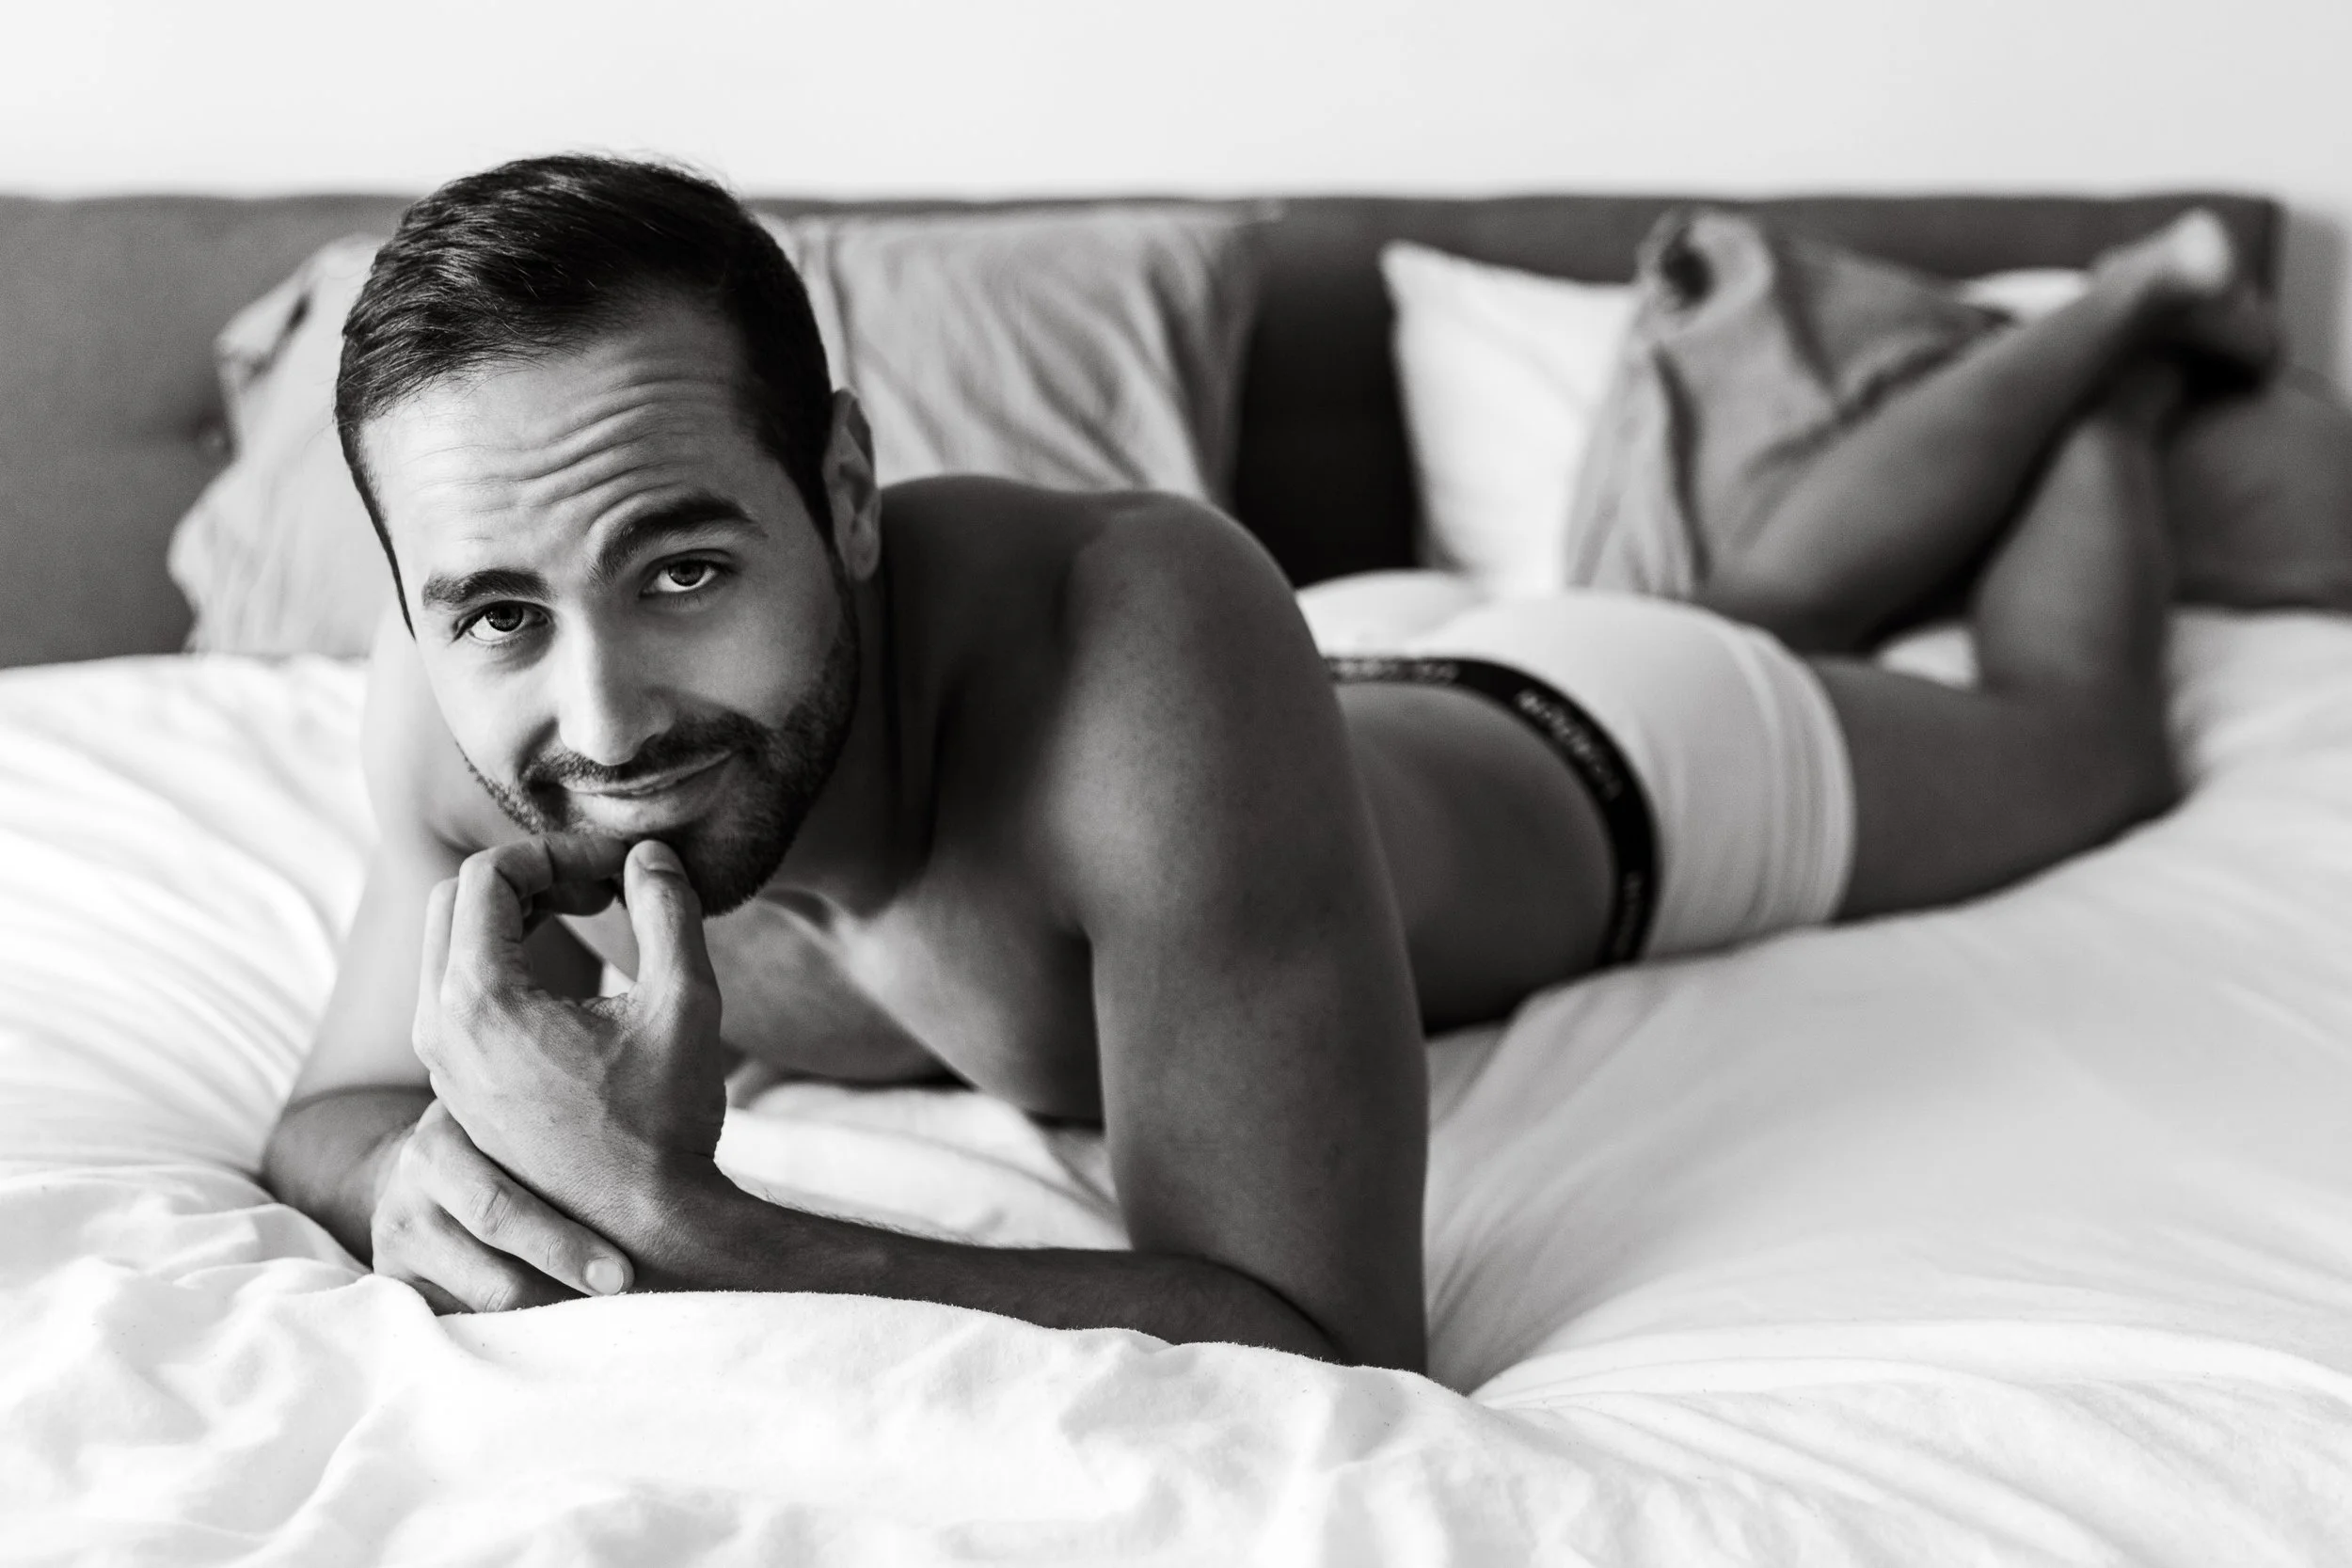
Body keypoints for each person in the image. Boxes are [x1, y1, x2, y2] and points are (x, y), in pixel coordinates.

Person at [262, 154, 2275, 1372]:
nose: (603, 722)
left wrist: (701, 1226)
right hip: (1329, 699)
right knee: (1753, 589)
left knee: (2061, 743)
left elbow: (1320, 1335)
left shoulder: (1124, 633)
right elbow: (335, 1110)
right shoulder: (479, 687)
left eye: (684, 563)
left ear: (847, 491)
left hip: (1577, 759)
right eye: (501, 610)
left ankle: (2116, 332)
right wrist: (426, 1168)